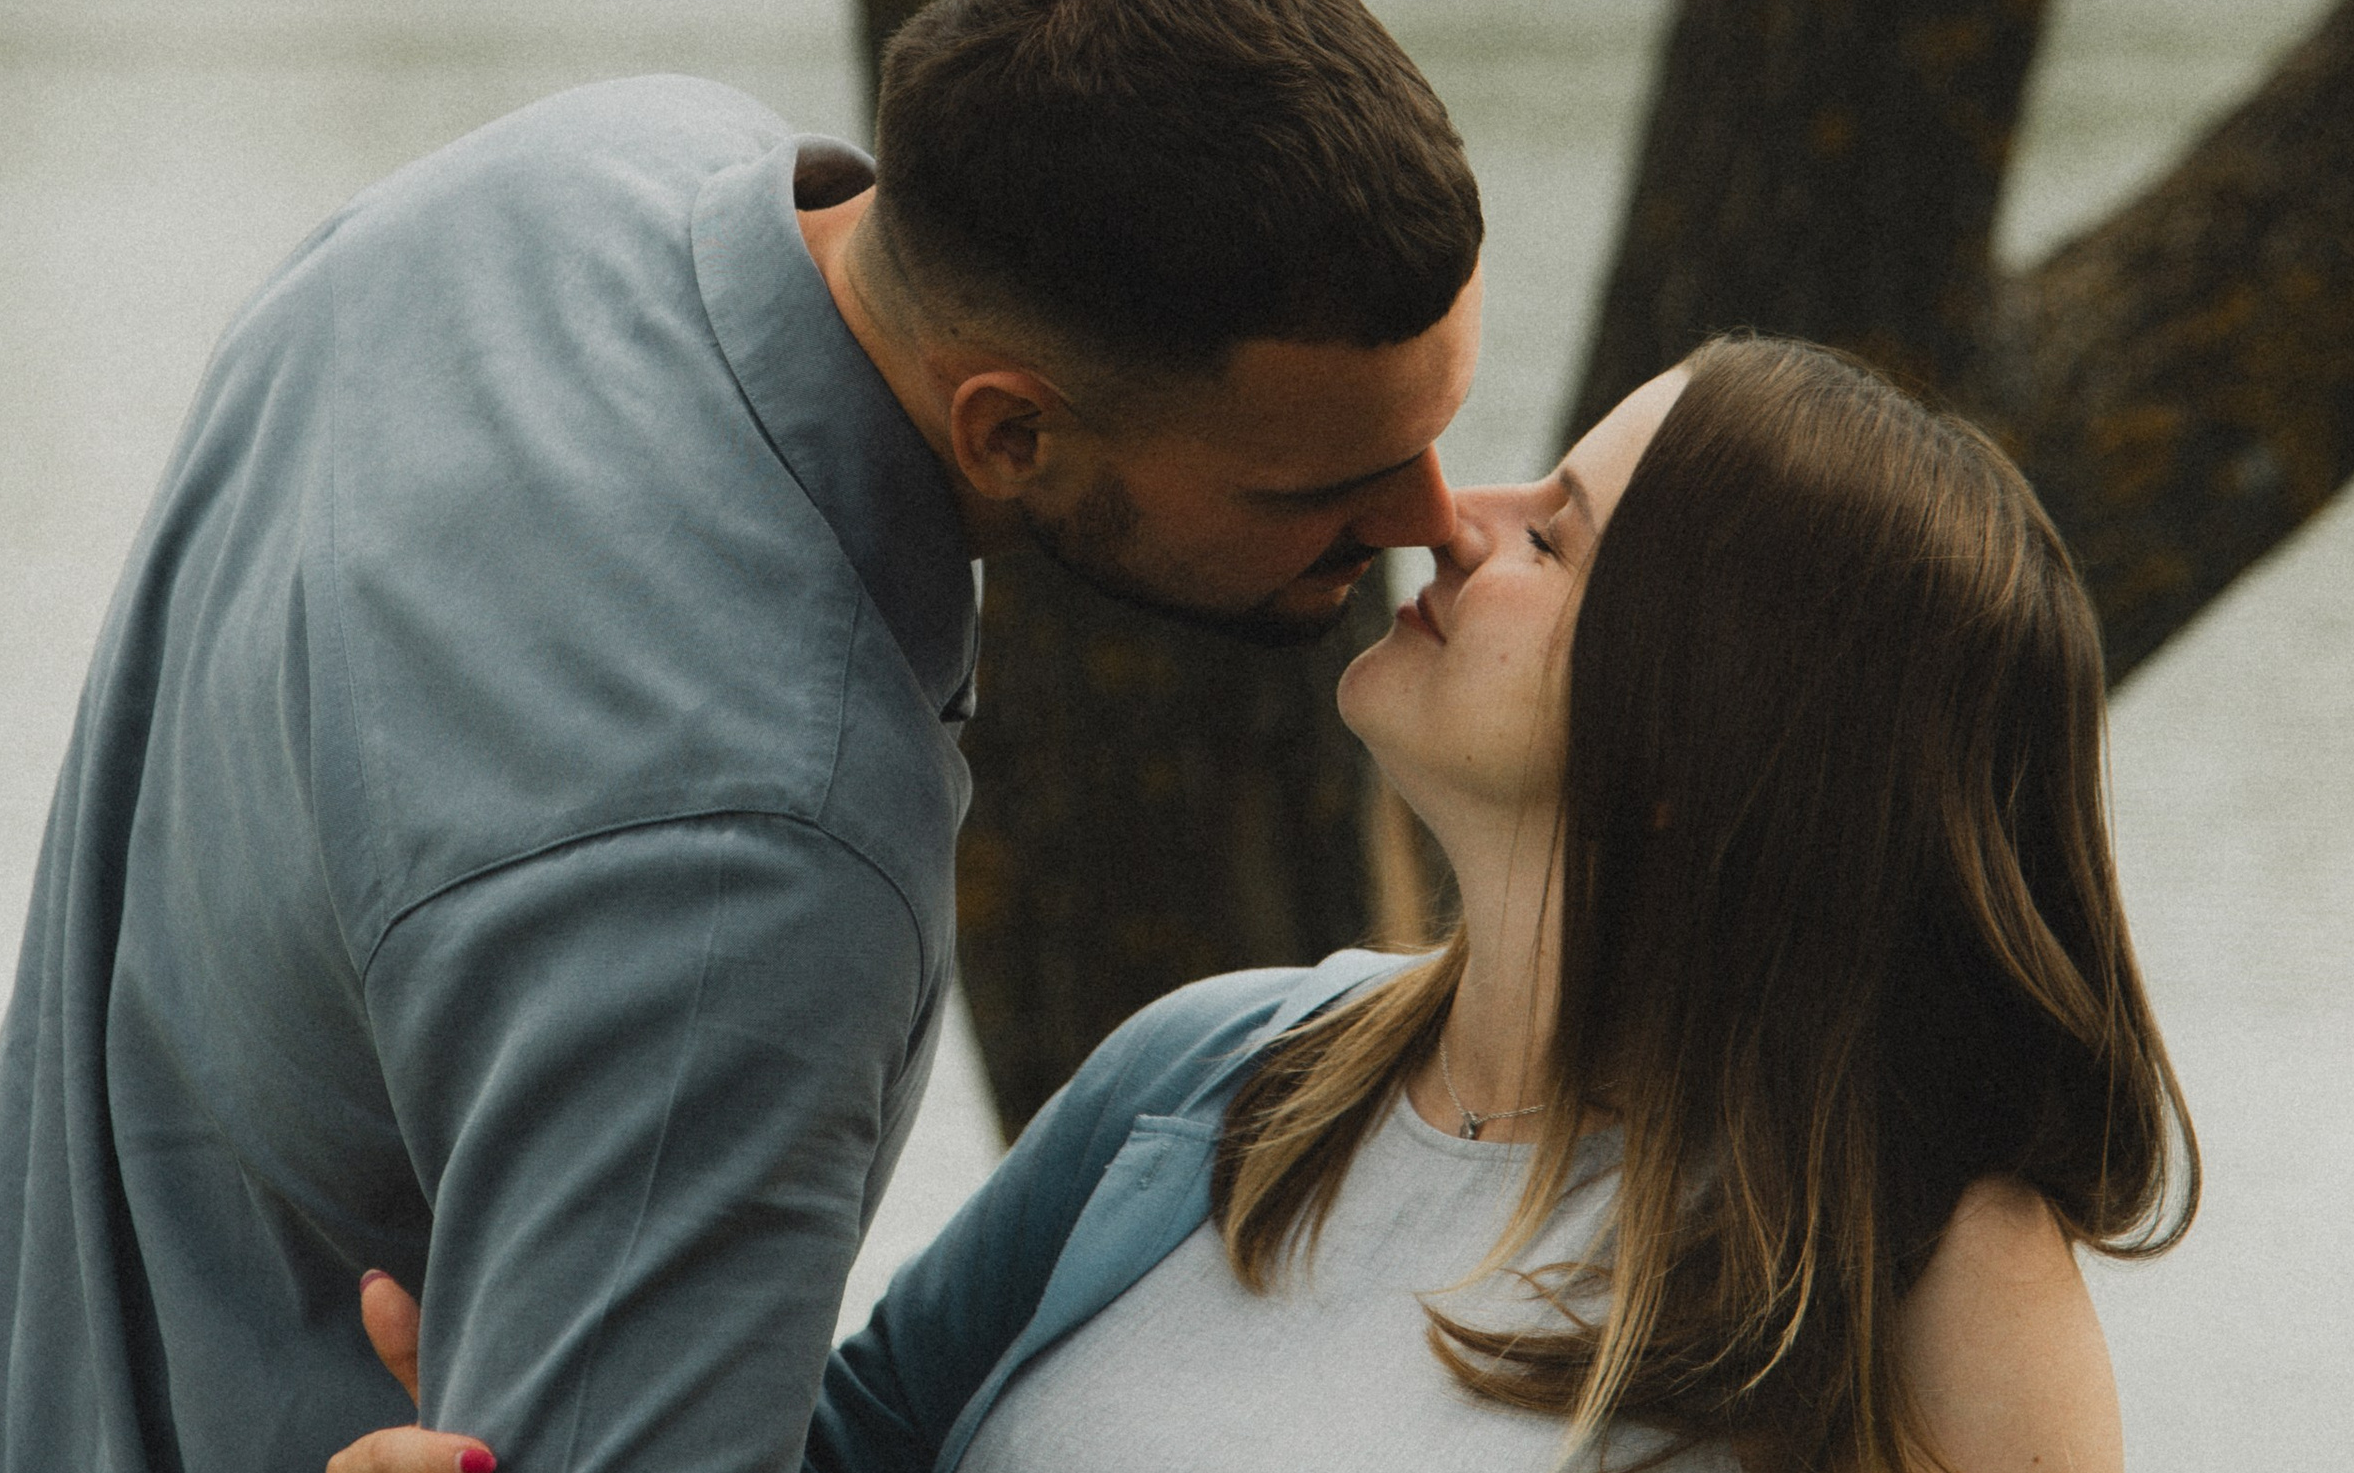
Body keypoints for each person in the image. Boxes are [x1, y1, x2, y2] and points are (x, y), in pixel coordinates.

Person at [0, 0, 1485, 1473]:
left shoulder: (562, 176)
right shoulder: (750, 865)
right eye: (1323, 484)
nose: (1431, 517)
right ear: (1009, 433)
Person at [337, 335, 2193, 1473]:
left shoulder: (1919, 1266)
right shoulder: (1220, 1072)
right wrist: (551, 1419)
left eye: (1558, 533)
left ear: (1713, 729)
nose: (1452, 516)